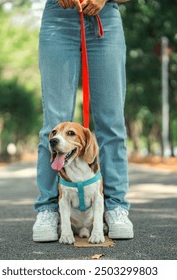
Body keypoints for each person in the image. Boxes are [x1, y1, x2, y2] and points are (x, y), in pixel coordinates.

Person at [33, 0, 133, 242]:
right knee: (54, 125)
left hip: (104, 17)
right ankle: (48, 209)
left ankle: (116, 207)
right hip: (59, 17)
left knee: (112, 124)